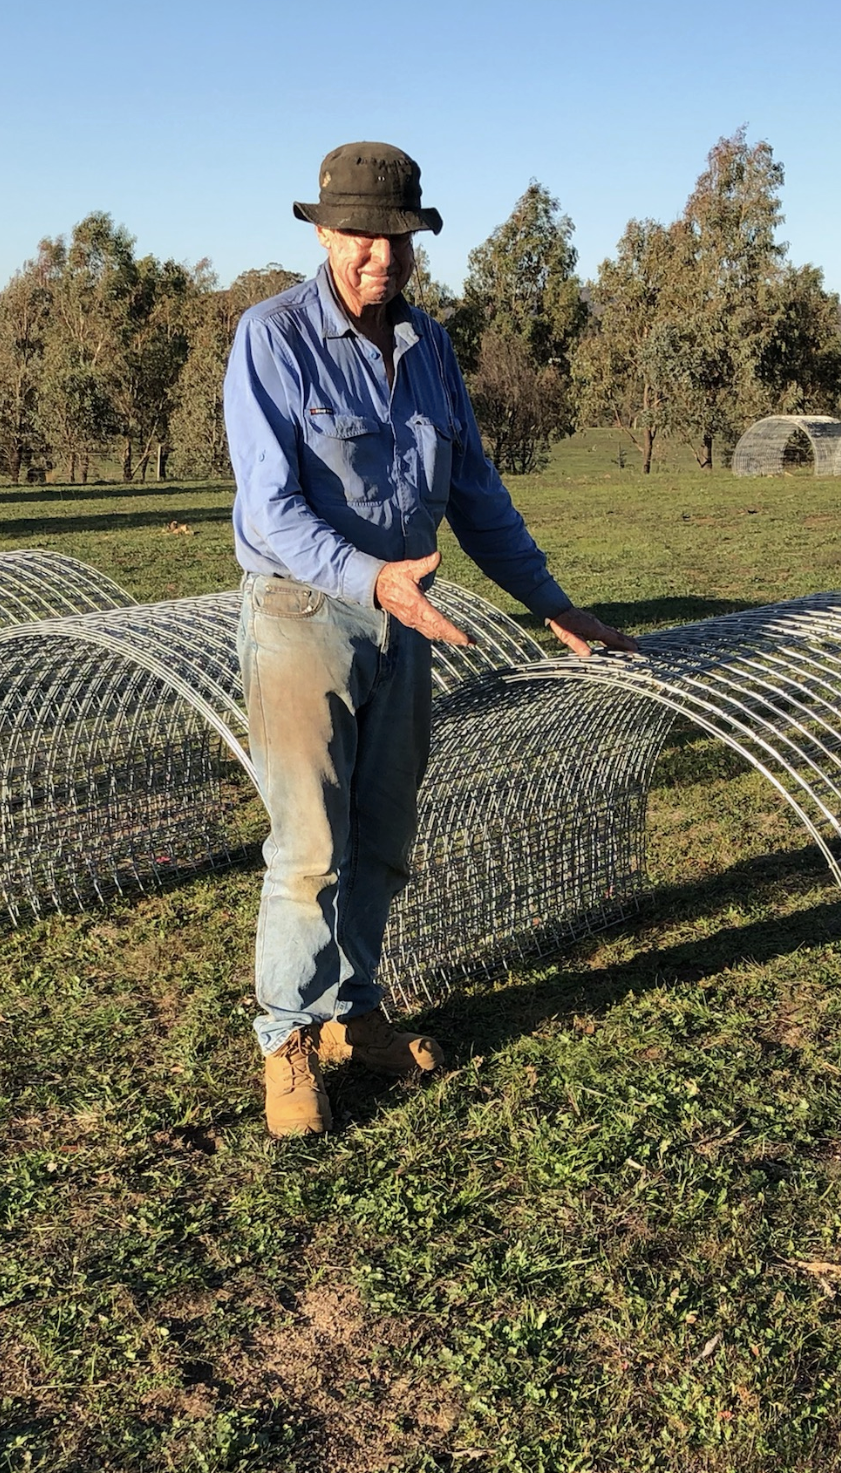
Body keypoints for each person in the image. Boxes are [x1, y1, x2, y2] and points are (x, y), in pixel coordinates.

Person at [225, 141, 633, 1138]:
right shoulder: (273, 336)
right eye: (360, 237)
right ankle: (287, 1038)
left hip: (410, 622)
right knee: (311, 846)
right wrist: (372, 579)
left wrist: (552, 602)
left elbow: (475, 494)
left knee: (384, 838)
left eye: (398, 240)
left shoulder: (432, 349)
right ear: (325, 234)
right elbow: (271, 508)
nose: (381, 258)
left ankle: (353, 1015)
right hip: (303, 616)